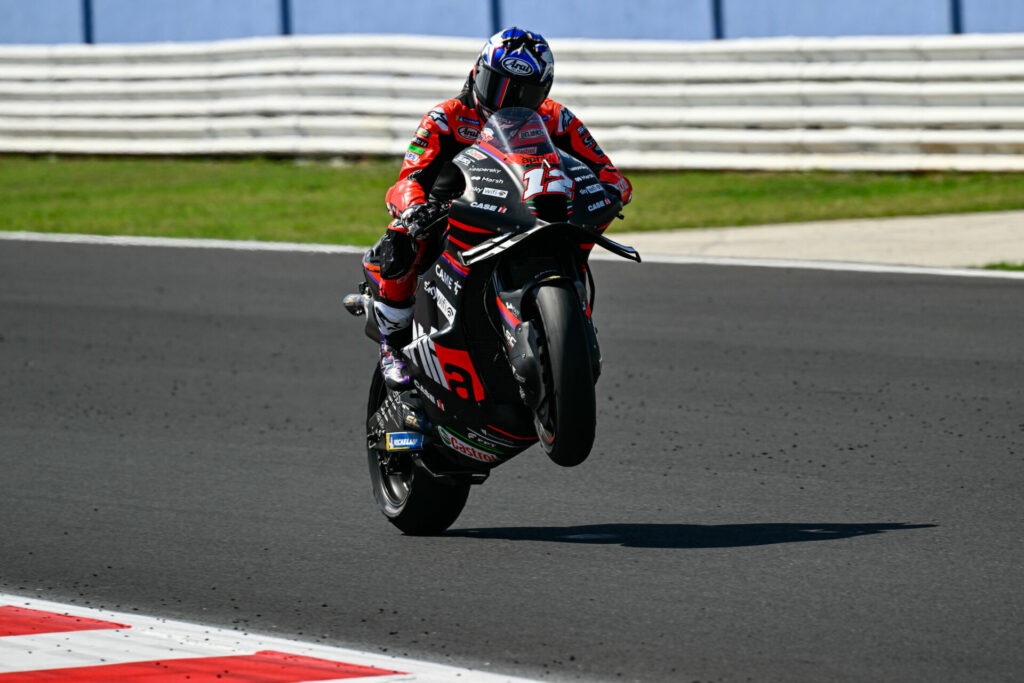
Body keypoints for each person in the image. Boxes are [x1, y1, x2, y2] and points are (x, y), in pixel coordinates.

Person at [367, 27, 633, 389]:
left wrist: (610, 192)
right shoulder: (446, 117)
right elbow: (408, 178)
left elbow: (608, 173)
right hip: (457, 213)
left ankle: (572, 329)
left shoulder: (557, 119)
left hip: (526, 213)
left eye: (525, 94)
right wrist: (415, 209)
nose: (509, 101)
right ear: (478, 74)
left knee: (572, 241)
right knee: (399, 243)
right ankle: (393, 345)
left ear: (544, 92)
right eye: (499, 86)